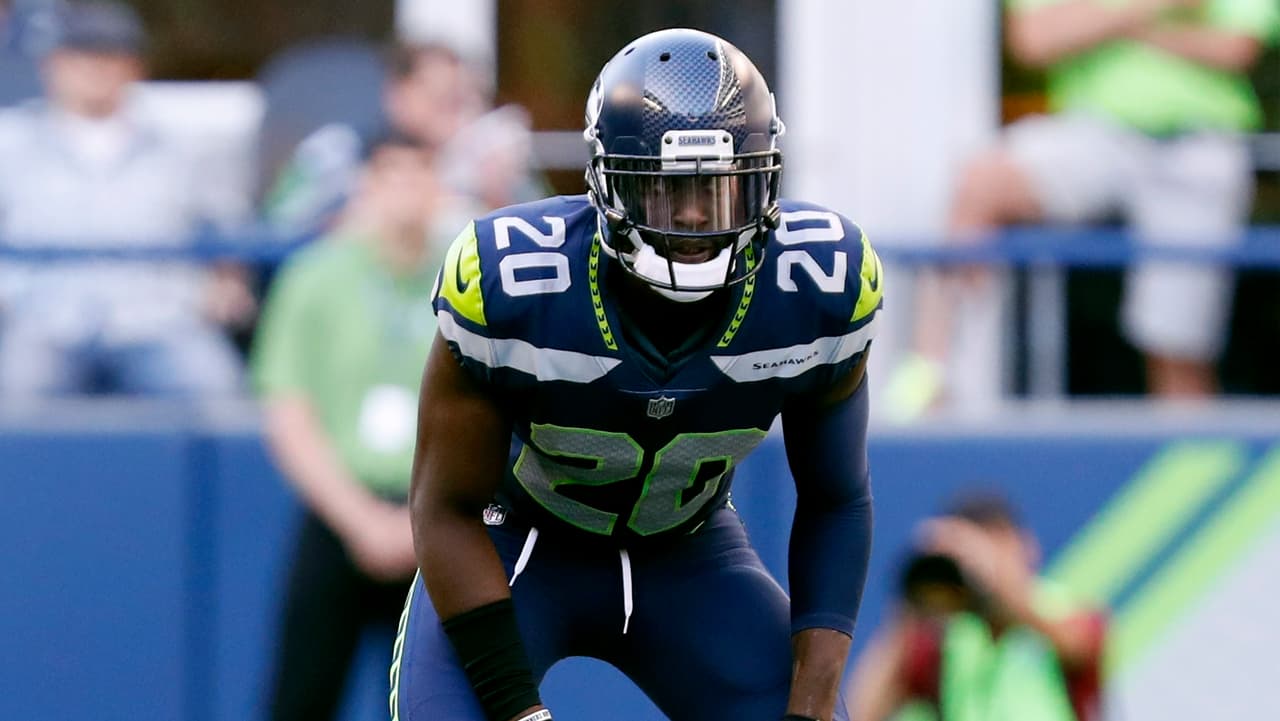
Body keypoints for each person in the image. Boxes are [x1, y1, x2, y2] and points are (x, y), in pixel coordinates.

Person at [391, 28, 883, 721]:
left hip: (691, 553)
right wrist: (517, 711)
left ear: (764, 180)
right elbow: (444, 510)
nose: (690, 216)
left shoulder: (817, 286)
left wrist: (811, 705)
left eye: (716, 188)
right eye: (661, 188)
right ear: (605, 184)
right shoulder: (512, 283)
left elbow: (837, 499)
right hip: (518, 545)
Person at [886, 0, 1280, 420]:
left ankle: (1186, 465)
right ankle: (929, 378)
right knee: (980, 184)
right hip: (1092, 131)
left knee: (1178, 350)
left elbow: (1236, 49)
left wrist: (1095, 25)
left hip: (1199, 146)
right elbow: (1034, 40)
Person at [252, 132, 449, 721]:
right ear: (365, 185)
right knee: (301, 696)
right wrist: (362, 521)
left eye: (421, 174)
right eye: (391, 174)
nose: (406, 192)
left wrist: (424, 518)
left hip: (439, 522)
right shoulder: (315, 278)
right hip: (340, 516)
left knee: (444, 704)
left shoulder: (467, 277)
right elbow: (287, 413)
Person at [0, 0, 252, 398]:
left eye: (111, 55)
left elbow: (229, 230)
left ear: (136, 67)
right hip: (45, 321)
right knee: (12, 392)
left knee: (217, 387)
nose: (96, 69)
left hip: (156, 320)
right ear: (52, 65)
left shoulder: (181, 146)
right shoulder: (11, 143)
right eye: (82, 55)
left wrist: (227, 281)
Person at [848, 493, 1108, 721]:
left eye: (996, 545)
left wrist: (994, 582)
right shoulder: (943, 638)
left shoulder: (1064, 611)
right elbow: (863, 712)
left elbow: (1077, 647)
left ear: (1027, 546)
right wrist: (913, 599)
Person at [261, 40, 488, 235]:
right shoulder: (337, 150)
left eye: (458, 100)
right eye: (438, 97)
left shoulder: (471, 164)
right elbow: (281, 221)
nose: (451, 113)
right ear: (397, 92)